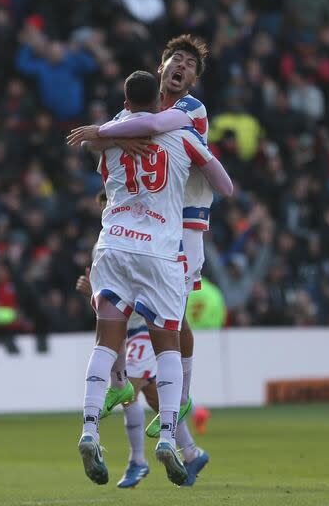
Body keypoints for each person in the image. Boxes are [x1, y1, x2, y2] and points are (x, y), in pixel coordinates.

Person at [74, 70, 231, 487]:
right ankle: (167, 438)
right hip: (160, 252)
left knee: (105, 342)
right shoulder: (183, 136)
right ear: (160, 101)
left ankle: (89, 430)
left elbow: (96, 146)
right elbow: (224, 186)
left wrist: (115, 136)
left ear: (124, 102)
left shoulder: (109, 138)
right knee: (168, 342)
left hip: (112, 245)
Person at [75, 194, 209, 488]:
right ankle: (190, 452)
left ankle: (138, 461)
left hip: (145, 328)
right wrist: (93, 295)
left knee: (129, 391)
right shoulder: (107, 240)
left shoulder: (140, 231)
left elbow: (131, 295)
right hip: (132, 329)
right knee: (150, 395)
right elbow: (110, 303)